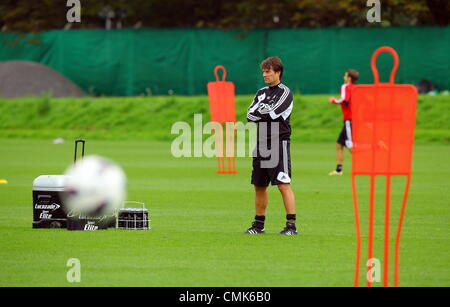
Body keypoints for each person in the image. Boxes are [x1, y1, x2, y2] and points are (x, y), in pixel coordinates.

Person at [245, 56, 297, 235]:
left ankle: (291, 225)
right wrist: (263, 112)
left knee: (283, 184)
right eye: (263, 71)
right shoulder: (261, 93)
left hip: (278, 142)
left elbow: (274, 114)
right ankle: (258, 225)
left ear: (278, 72)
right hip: (260, 143)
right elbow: (250, 114)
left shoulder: (285, 92)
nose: (264, 75)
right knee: (259, 185)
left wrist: (262, 112)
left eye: (268, 71)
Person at [327, 69, 359, 176]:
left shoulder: (345, 86)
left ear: (349, 78)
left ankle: (373, 155)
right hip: (354, 119)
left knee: (351, 146)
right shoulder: (356, 88)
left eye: (345, 75)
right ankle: (339, 170)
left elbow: (344, 100)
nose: (344, 77)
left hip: (349, 120)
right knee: (339, 144)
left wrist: (333, 100)